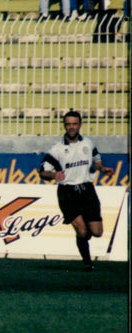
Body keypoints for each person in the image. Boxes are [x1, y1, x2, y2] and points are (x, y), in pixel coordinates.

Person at [37, 111, 114, 271]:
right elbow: (42, 172)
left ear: (79, 125)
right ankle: (87, 262)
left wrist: (102, 169)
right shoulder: (57, 149)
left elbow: (97, 160)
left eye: (74, 124)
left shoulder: (88, 143)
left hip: (87, 191)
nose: (71, 127)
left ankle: (82, 235)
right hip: (68, 193)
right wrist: (53, 175)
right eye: (68, 124)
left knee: (97, 232)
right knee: (83, 230)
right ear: (65, 126)